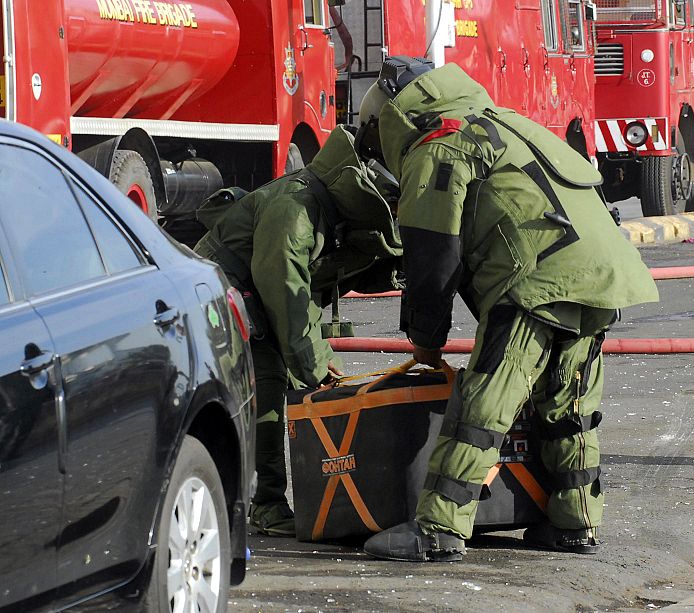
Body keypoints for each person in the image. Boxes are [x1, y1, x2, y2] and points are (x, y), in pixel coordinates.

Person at [354, 57, 659, 561]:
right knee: (570, 406)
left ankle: (439, 528)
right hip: (603, 272)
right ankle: (575, 522)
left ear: (392, 117)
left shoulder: (439, 144)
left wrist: (426, 339)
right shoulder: (507, 122)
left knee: (483, 404)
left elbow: (434, 256)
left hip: (536, 281)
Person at [194, 126, 403, 537]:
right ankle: (264, 504)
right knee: (269, 389)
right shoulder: (296, 209)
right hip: (220, 298)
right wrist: (317, 364)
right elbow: (285, 291)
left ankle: (295, 499)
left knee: (299, 381)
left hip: (253, 297)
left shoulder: (323, 207)